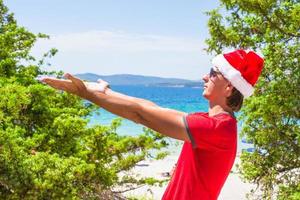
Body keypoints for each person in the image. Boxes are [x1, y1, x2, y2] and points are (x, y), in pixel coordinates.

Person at [41, 49, 264, 200]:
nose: (204, 77)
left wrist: (86, 93)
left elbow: (142, 115)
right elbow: (151, 108)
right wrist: (106, 92)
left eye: (213, 74)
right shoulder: (214, 125)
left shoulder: (216, 129)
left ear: (229, 88)